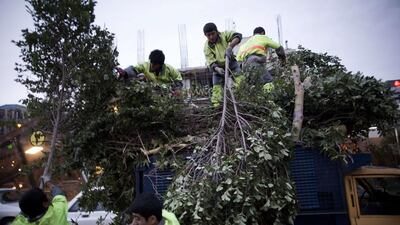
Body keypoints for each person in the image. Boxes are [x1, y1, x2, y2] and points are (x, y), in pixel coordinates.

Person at [203, 22, 242, 106]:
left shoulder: (224, 35)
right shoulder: (206, 47)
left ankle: (244, 99)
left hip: (231, 63)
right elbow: (211, 62)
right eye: (208, 35)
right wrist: (217, 69)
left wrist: (230, 47)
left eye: (213, 34)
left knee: (241, 81)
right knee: (217, 87)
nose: (211, 37)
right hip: (218, 68)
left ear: (217, 31)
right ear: (205, 36)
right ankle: (217, 107)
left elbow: (238, 36)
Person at [236, 26, 286, 91]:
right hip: (255, 62)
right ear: (262, 33)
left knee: (254, 86)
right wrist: (283, 61)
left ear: (253, 34)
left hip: (245, 67)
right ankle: (269, 98)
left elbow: (238, 62)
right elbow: (279, 47)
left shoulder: (244, 45)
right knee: (268, 82)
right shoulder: (262, 37)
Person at [116, 49, 183, 92]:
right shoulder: (145, 65)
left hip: (167, 91)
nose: (152, 66)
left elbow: (178, 79)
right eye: (152, 63)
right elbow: (134, 69)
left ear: (160, 64)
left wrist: (177, 90)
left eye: (155, 64)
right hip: (153, 91)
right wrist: (125, 72)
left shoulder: (169, 69)